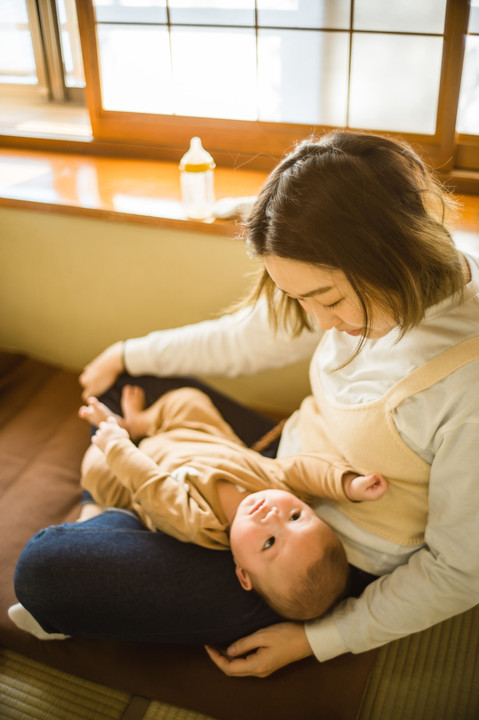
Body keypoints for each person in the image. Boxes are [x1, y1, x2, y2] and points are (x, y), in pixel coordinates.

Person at [11, 129, 479, 677]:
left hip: (311, 563)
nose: (322, 324)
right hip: (273, 465)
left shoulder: (464, 384)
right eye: (304, 301)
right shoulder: (369, 281)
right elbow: (248, 339)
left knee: (44, 573)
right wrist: (126, 351)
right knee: (126, 385)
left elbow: (460, 569)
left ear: (390, 251)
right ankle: (143, 506)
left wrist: (320, 637)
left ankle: (128, 512)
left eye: (327, 300)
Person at [76, 385, 386, 620]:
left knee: (95, 467)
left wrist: (117, 447)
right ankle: (140, 422)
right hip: (196, 435)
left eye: (268, 543)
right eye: (295, 517)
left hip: (143, 470)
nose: (271, 515)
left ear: (243, 573)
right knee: (189, 400)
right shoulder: (273, 482)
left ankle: (121, 439)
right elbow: (306, 469)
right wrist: (348, 484)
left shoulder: (199, 524)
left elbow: (152, 486)